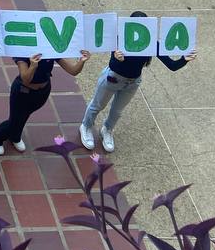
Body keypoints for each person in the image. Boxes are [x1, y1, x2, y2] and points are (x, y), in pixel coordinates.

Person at [79, 15, 194, 153]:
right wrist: (117, 59)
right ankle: (86, 126)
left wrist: (184, 59)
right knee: (97, 105)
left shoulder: (151, 42)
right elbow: (113, 65)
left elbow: (172, 65)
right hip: (113, 78)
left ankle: (107, 130)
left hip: (133, 83)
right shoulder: (119, 39)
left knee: (117, 111)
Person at [0, 50, 90, 156]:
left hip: (42, 92)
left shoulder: (48, 47)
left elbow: (73, 71)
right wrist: (33, 66)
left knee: (23, 116)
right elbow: (25, 79)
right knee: (15, 119)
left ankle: (15, 136)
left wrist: (82, 61)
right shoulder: (21, 49)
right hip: (23, 92)